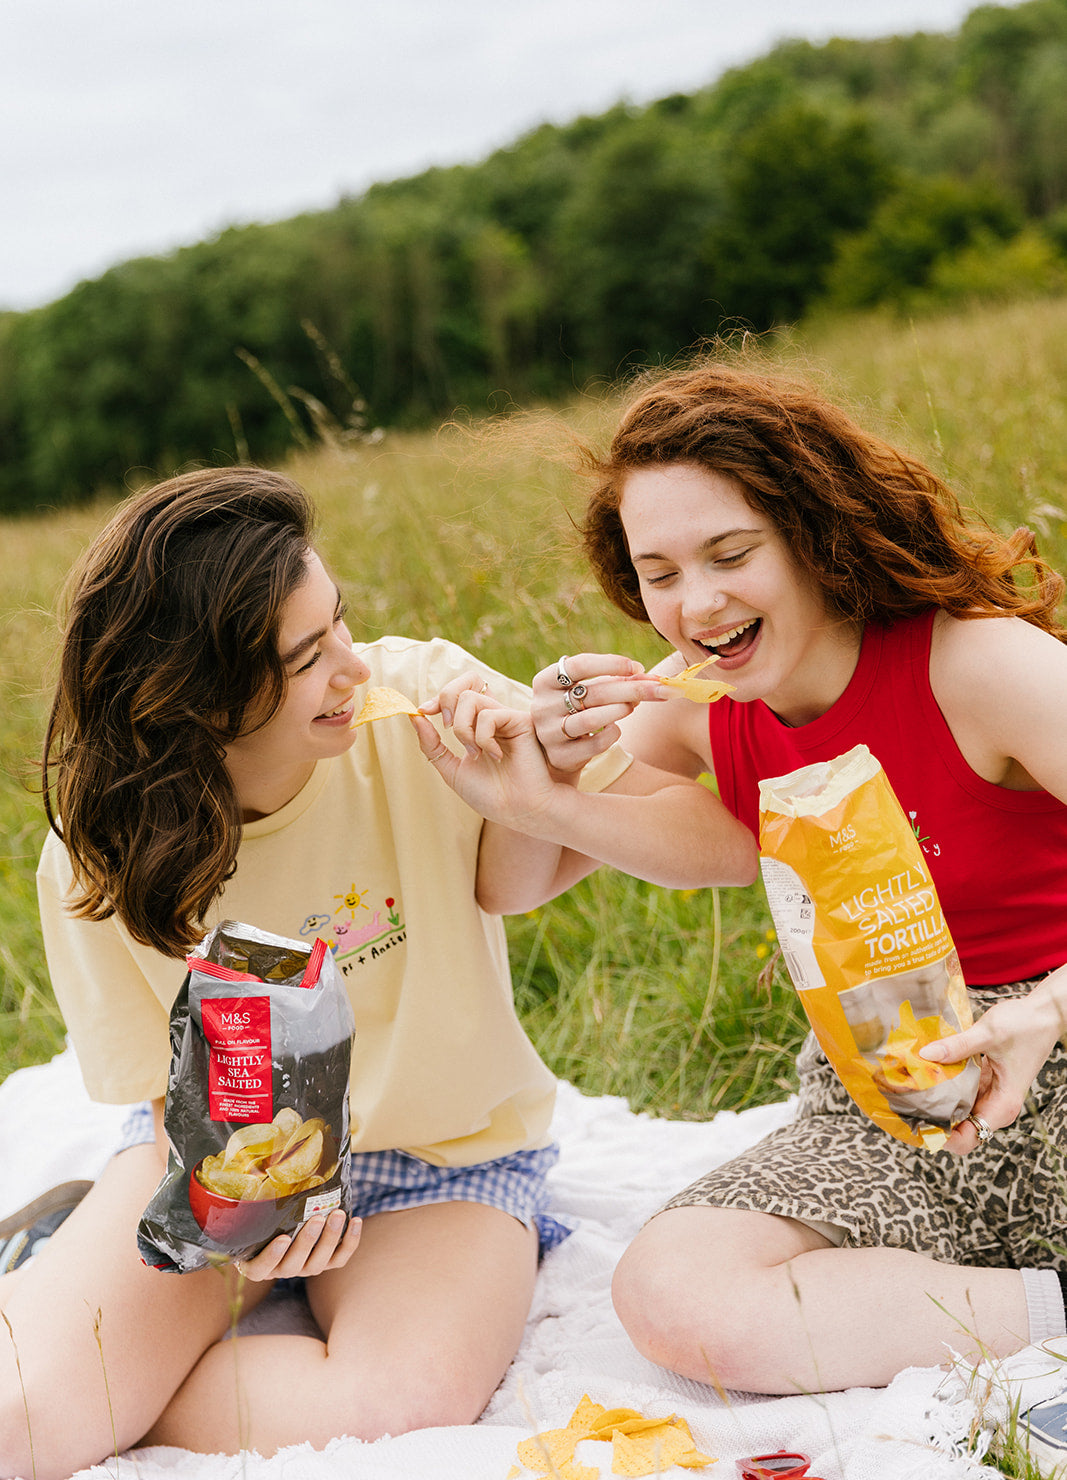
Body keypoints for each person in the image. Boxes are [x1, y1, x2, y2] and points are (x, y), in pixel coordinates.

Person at [0, 465, 756, 1480]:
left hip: (444, 1159)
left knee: (391, 1404)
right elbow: (163, 1094)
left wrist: (540, 791)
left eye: (340, 625)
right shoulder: (99, 855)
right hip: (226, 1158)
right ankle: (112, 1324)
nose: (356, 669)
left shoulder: (427, 694)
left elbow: (681, 838)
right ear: (199, 702)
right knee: (21, 1427)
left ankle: (120, 1365)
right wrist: (237, 1218)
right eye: (310, 656)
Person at [528, 358, 1067, 1398]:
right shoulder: (700, 710)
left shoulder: (977, 665)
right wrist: (537, 765)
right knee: (673, 1293)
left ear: (816, 535)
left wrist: (1045, 1011)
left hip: (1055, 1043)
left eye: (730, 553)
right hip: (890, 1107)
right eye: (660, 572)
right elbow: (517, 880)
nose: (697, 604)